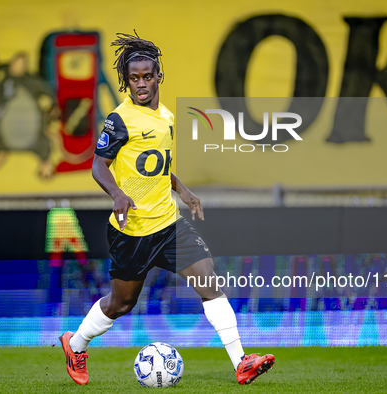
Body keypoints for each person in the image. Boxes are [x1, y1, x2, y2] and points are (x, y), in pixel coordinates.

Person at [59, 31, 274, 386]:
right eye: (134, 78)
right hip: (133, 230)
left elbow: (157, 166)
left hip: (170, 224)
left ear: (159, 76)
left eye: (147, 76)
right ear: (125, 81)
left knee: (209, 281)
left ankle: (241, 361)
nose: (141, 84)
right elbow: (98, 165)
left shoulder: (167, 117)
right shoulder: (119, 120)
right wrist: (116, 194)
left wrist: (185, 192)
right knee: (121, 304)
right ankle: (76, 343)